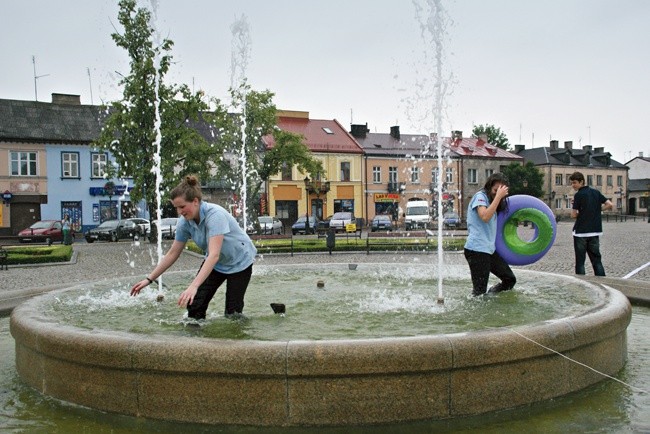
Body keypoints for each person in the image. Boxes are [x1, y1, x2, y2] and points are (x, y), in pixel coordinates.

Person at [130, 175, 257, 319]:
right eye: (176, 208)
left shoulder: (215, 216)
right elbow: (173, 253)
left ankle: (237, 338)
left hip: (240, 262)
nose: (179, 212)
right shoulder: (184, 222)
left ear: (195, 201)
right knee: (194, 304)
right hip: (217, 264)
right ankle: (195, 339)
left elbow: (214, 254)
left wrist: (194, 286)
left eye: (182, 207)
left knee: (232, 313)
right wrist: (149, 279)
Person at [463, 173, 516, 296]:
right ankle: (475, 310)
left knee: (509, 279)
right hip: (476, 249)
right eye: (495, 190)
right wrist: (498, 197)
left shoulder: (495, 202)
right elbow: (485, 216)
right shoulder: (480, 197)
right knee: (479, 291)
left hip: (489, 250)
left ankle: (491, 296)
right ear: (489, 187)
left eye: (500, 191)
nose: (497, 193)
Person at [569, 171, 613, 276]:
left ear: (581, 181)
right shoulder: (596, 192)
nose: (573, 185)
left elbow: (573, 215)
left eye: (574, 182)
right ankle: (603, 283)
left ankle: (581, 285)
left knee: (580, 262)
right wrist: (598, 210)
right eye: (572, 183)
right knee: (596, 260)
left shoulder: (578, 195)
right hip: (595, 231)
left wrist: (581, 212)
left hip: (581, 233)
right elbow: (609, 204)